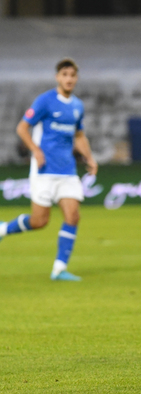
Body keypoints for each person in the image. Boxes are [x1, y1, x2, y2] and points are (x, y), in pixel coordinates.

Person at [0, 58, 97, 281]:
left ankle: (59, 269)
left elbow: (79, 135)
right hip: (44, 169)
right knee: (39, 221)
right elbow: (22, 127)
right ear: (57, 77)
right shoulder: (45, 101)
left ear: (76, 78)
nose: (69, 79)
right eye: (65, 75)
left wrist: (89, 158)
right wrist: (35, 150)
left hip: (67, 170)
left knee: (73, 216)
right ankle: (4, 229)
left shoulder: (77, 106)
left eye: (72, 75)